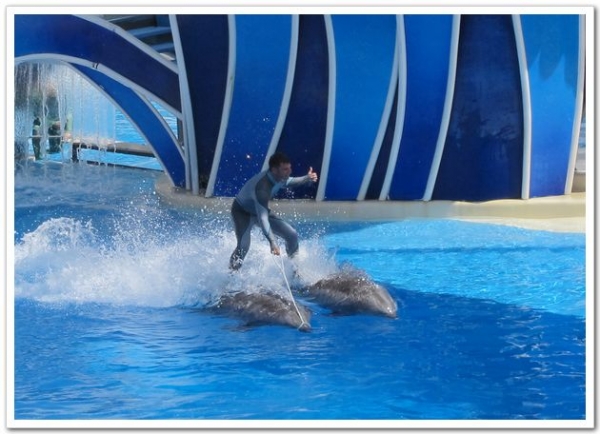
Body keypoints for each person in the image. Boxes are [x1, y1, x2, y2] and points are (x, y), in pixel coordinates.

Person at [229, 152, 318, 271]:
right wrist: (272, 241)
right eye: (285, 169)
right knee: (243, 246)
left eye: (289, 168)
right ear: (274, 170)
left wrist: (306, 178)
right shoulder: (263, 187)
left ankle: (295, 270)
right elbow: (262, 218)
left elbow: (289, 182)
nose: (289, 172)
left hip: (259, 210)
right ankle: (231, 274)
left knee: (291, 235)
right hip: (242, 212)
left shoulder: (279, 177)